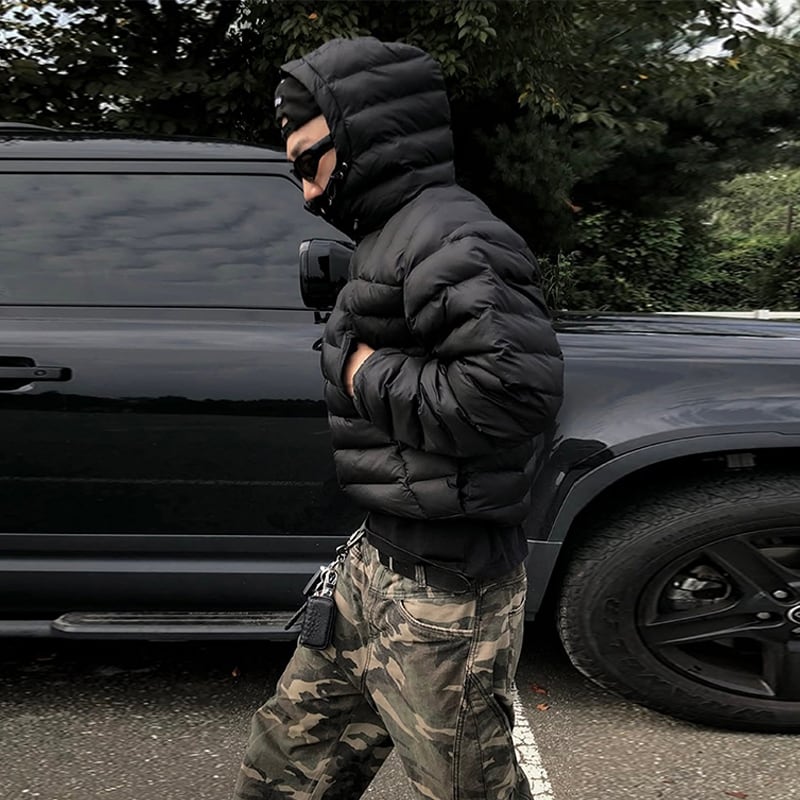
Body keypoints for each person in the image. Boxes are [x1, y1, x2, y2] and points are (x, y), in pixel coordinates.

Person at [234, 36, 564, 800]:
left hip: (445, 592)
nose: (307, 193)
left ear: (363, 138)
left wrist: (362, 369)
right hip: (376, 564)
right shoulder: (395, 235)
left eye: (310, 163)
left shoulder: (456, 236)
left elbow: (510, 397)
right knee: (285, 765)